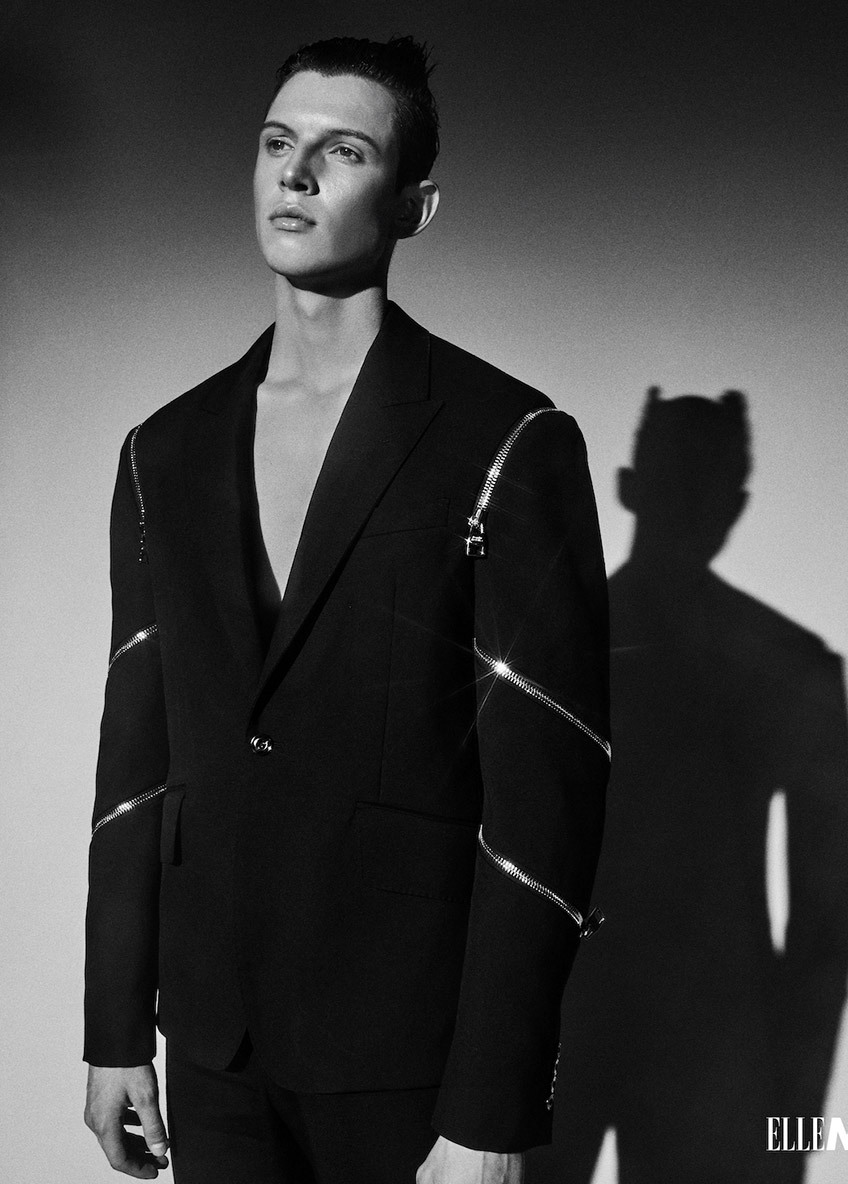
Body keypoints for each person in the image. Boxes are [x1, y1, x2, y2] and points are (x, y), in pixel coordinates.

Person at [83, 35, 610, 1184]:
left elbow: (546, 800)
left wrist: (492, 1104)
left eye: (343, 150)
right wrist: (114, 1027)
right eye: (277, 142)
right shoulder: (163, 448)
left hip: (410, 1050)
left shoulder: (505, 437)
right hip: (215, 1043)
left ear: (414, 204)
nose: (296, 172)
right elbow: (136, 754)